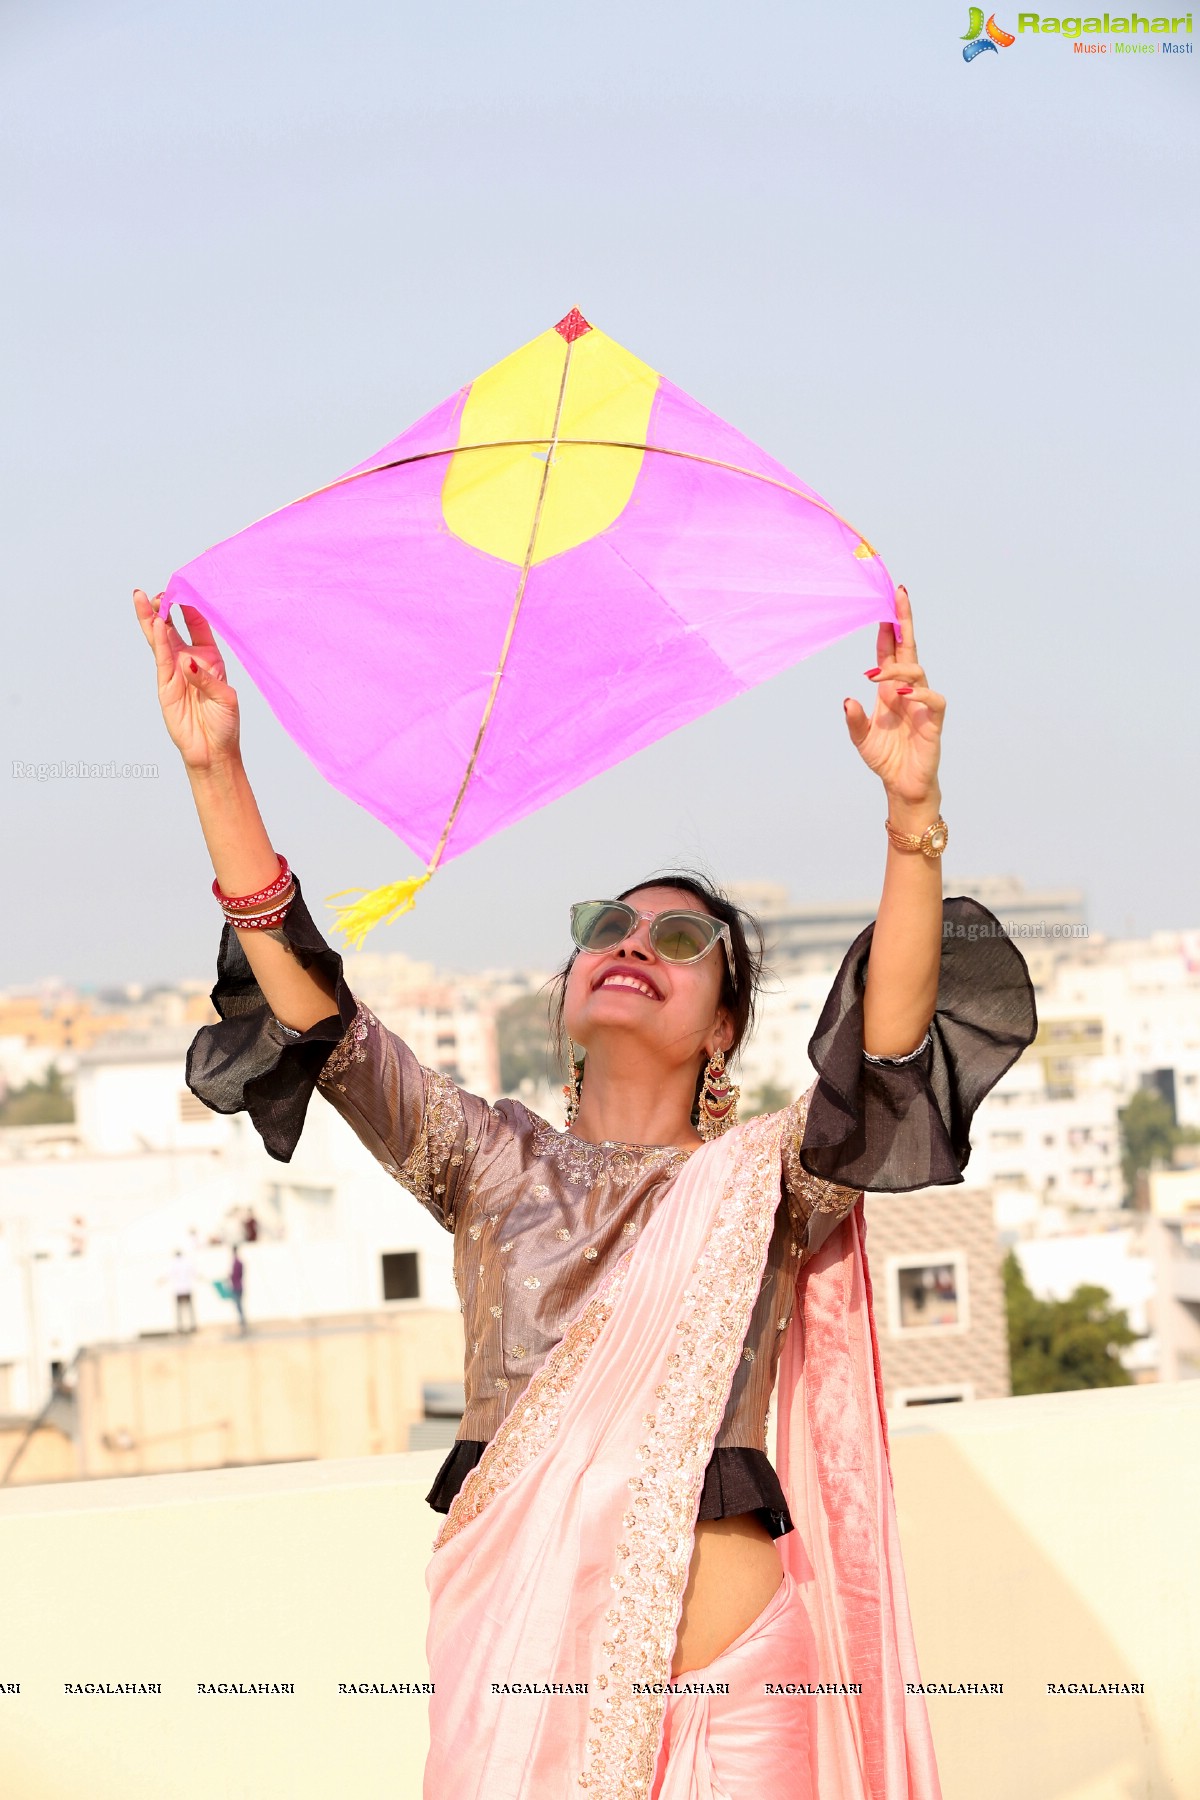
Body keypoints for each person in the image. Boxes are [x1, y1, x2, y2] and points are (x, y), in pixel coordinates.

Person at [134, 582, 1036, 1798]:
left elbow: (885, 1059)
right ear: (565, 993)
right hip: (520, 1681)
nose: (631, 944)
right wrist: (216, 771)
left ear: (723, 1027)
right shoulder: (486, 1160)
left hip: (738, 1699)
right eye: (607, 927)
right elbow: (320, 1022)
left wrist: (911, 810)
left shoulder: (768, 1177)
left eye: (678, 942)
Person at [167, 1248, 197, 1335]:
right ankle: (192, 1325)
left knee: (179, 1310)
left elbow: (168, 1274)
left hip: (179, 1290)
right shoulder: (187, 1262)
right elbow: (194, 1272)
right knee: (190, 1309)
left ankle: (180, 1327)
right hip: (187, 1288)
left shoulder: (173, 1263)